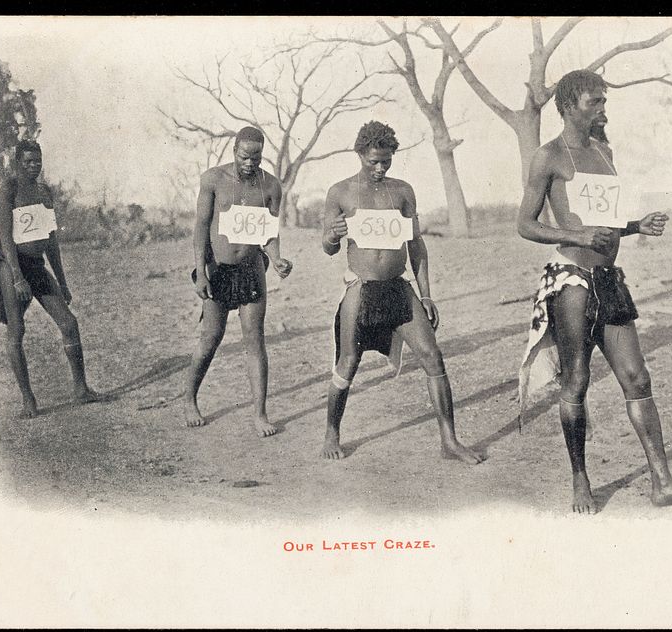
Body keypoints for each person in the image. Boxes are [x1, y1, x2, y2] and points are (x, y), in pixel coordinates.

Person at [516, 70, 672, 513]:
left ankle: (664, 483)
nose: (603, 109)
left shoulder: (604, 152)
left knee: (638, 378)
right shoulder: (548, 157)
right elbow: (524, 224)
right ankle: (580, 480)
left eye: (604, 101)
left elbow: (608, 217)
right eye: (594, 102)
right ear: (568, 106)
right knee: (577, 381)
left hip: (610, 281)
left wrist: (638, 225)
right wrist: (579, 237)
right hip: (572, 281)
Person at [320, 120, 483, 464]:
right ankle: (332, 432)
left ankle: (449, 442)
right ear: (359, 154)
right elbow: (328, 247)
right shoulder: (340, 192)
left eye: (386, 161)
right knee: (348, 363)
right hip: (360, 288)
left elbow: (416, 245)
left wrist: (426, 295)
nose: (379, 168)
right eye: (373, 161)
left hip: (398, 287)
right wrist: (333, 235)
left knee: (433, 357)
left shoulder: (403, 191)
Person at [0, 140, 107, 419]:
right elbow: (6, 237)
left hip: (36, 265)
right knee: (17, 330)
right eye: (28, 162)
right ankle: (28, 400)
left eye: (38, 161)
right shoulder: (9, 189)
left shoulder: (44, 192)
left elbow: (51, 241)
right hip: (11, 266)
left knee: (69, 323)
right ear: (17, 163)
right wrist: (18, 278)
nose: (34, 166)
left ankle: (81, 389)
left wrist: (62, 280)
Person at [182, 127, 293, 434]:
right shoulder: (214, 180)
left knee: (254, 338)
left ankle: (260, 414)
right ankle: (189, 398)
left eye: (256, 157)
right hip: (218, 268)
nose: (250, 163)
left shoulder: (270, 186)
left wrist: (278, 258)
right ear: (234, 151)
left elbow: (268, 234)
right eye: (245, 156)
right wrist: (200, 273)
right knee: (211, 337)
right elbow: (201, 228)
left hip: (252, 269)